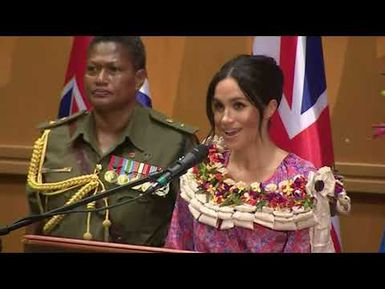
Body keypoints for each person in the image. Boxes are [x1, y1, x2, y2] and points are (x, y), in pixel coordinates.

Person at [165, 54, 351, 252]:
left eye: (238, 106)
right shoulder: (201, 171)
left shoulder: (302, 182)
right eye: (219, 106)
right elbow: (176, 245)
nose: (225, 119)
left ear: (269, 108)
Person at [26, 36, 198, 247]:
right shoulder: (54, 139)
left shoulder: (173, 143)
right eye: (92, 69)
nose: (100, 79)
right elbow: (35, 226)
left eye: (113, 69)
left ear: (139, 78)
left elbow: (188, 232)